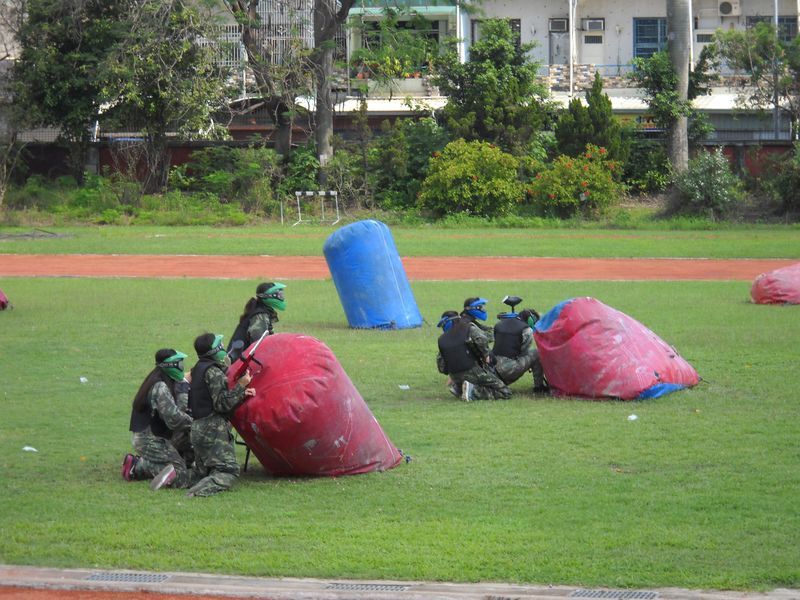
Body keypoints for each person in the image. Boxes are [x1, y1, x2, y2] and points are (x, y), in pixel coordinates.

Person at [186, 332, 255, 498]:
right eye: (220, 345)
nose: (224, 347)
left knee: (201, 473)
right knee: (229, 471)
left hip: (197, 428)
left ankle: (173, 477)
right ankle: (196, 493)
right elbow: (222, 404)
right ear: (214, 350)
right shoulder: (213, 372)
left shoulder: (198, 368)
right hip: (212, 429)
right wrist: (241, 386)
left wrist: (242, 391)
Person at [122, 349, 195, 491]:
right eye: (179, 364)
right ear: (170, 366)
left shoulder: (162, 380)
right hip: (149, 440)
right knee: (181, 476)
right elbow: (174, 419)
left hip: (157, 436)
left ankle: (147, 464)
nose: (182, 368)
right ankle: (137, 467)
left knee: (185, 462)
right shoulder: (160, 386)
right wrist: (196, 423)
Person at [436, 310, 511, 401]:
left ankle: (459, 388)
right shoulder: (468, 328)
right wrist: (486, 354)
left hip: (454, 376)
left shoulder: (441, 340)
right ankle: (473, 391)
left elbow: (442, 368)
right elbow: (482, 339)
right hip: (472, 371)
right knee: (505, 392)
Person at [492, 304, 548, 394]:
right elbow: (523, 352)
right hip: (507, 370)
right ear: (531, 320)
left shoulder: (499, 324)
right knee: (536, 353)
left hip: (492, 369)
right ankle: (539, 387)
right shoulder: (527, 330)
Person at [227, 282, 286, 361]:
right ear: (269, 297)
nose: (282, 298)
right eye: (279, 295)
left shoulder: (259, 311)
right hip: (239, 364)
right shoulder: (259, 316)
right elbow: (259, 346)